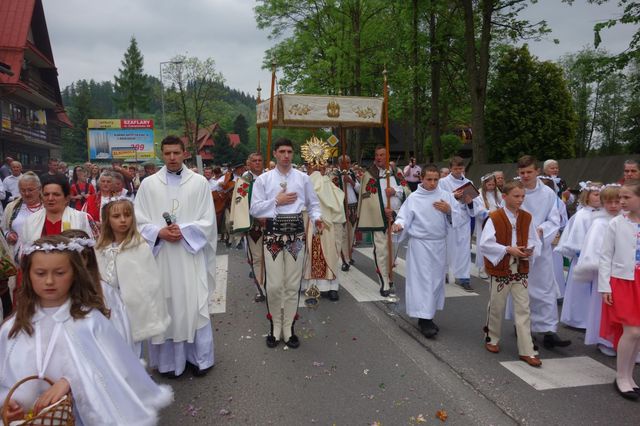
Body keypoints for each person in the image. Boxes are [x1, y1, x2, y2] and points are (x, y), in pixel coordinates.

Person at [0, 235, 173, 424]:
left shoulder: (89, 322)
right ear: (28, 275)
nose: (49, 281)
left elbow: (115, 368)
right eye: (40, 273)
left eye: (59, 273)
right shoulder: (13, 329)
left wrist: (70, 381)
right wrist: (7, 408)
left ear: (74, 273)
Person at [135, 135, 217, 378]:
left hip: (189, 255)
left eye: (176, 153)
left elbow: (208, 220)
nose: (172, 158)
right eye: (167, 153)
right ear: (162, 154)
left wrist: (185, 231)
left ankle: (199, 359)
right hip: (161, 258)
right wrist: (158, 232)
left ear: (184, 154)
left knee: (193, 303)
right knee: (166, 304)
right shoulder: (148, 184)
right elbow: (138, 221)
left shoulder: (200, 182)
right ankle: (169, 363)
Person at [250, 138, 323, 348]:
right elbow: (254, 209)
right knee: (273, 286)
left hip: (296, 237)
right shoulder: (263, 180)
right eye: (281, 151)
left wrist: (317, 218)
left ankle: (289, 328)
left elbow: (313, 204)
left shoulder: (303, 178)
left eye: (289, 151)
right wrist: (276, 201)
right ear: (274, 154)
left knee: (292, 285)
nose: (286, 155)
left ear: (293, 154)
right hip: (273, 236)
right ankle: (275, 325)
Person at [392, 164, 461, 338]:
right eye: (429, 179)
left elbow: (458, 218)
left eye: (436, 179)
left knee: (436, 281)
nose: (432, 183)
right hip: (420, 245)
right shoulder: (414, 198)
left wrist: (449, 211)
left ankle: (428, 315)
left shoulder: (445, 196)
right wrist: (399, 225)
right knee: (423, 281)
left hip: (439, 244)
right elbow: (403, 217)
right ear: (421, 178)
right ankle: (424, 320)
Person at [479, 180, 542, 367]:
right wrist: (508, 249)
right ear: (504, 197)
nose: (520, 200)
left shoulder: (527, 217)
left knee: (523, 308)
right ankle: (492, 337)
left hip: (520, 268)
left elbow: (534, 239)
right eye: (516, 196)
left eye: (522, 196)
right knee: (497, 306)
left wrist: (529, 249)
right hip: (501, 267)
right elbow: (485, 243)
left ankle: (527, 349)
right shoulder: (495, 217)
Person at [95, 199, 170, 354]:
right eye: (116, 216)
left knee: (132, 351)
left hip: (131, 310)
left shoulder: (139, 247)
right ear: (107, 220)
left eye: (127, 215)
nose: (123, 220)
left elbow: (150, 284)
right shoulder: (101, 249)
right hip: (109, 307)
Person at [511, 155, 571, 349]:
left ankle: (548, 330)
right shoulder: (515, 192)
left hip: (541, 248)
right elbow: (506, 215)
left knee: (545, 289)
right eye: (522, 173)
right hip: (520, 247)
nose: (526, 176)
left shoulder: (547, 193)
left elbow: (555, 219)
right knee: (523, 290)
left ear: (537, 171)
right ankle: (524, 329)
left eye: (529, 172)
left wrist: (542, 229)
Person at [599, 179, 640, 399]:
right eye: (620, 197)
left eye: (627, 197)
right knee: (631, 331)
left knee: (638, 334)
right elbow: (605, 256)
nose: (622, 201)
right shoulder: (616, 223)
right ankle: (621, 376)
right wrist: (605, 286)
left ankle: (629, 376)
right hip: (623, 280)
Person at [60, 229, 133, 350]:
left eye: (78, 260)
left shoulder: (104, 291)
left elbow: (120, 332)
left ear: (87, 259)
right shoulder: (56, 293)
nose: (73, 266)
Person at [572, 184, 621, 356]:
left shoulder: (627, 220)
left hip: (623, 272)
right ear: (603, 203)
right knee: (603, 307)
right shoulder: (599, 223)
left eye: (617, 201)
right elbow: (592, 249)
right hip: (604, 272)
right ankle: (604, 339)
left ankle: (621, 339)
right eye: (609, 202)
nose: (614, 206)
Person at [357, 145, 409, 297]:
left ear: (387, 156)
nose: (379, 157)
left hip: (397, 217)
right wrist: (382, 211)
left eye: (382, 155)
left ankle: (389, 275)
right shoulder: (369, 174)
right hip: (379, 220)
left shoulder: (396, 172)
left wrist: (395, 191)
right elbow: (367, 198)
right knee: (381, 251)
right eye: (376, 155)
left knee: (392, 252)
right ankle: (384, 282)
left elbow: (407, 191)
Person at [301, 139, 346, 301]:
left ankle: (332, 286)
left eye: (322, 163)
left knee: (332, 253)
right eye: (314, 163)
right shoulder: (304, 181)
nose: (319, 166)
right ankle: (312, 288)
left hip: (330, 226)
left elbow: (336, 203)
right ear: (308, 165)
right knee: (312, 255)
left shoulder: (329, 182)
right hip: (312, 224)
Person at [555, 182, 602, 329]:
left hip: (598, 259)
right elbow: (576, 238)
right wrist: (584, 253)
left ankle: (593, 319)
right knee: (580, 290)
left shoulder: (603, 214)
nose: (599, 197)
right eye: (596, 194)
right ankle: (578, 319)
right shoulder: (582, 215)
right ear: (586, 196)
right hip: (582, 258)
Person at [438, 156, 484, 292]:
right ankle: (444, 273)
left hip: (464, 219)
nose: (458, 171)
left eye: (461, 168)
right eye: (455, 168)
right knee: (446, 248)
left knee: (464, 251)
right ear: (451, 168)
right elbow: (439, 197)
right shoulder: (443, 182)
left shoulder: (469, 182)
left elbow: (477, 202)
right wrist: (454, 196)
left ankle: (464, 278)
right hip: (448, 219)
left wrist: (470, 201)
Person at [22, 173, 97, 245]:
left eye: (56, 194)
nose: (50, 198)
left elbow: (94, 250)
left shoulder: (83, 219)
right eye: (46, 194)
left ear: (67, 198)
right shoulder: (31, 220)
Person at [229, 152, 265, 302]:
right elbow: (239, 204)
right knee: (257, 259)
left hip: (272, 226)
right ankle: (261, 289)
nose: (257, 163)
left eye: (260, 160)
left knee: (272, 259)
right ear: (248, 163)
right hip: (254, 227)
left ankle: (273, 287)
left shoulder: (270, 178)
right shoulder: (244, 181)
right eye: (254, 161)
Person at [334, 154, 360, 271]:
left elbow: (360, 189)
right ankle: (344, 260)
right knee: (343, 235)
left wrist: (351, 181)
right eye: (344, 163)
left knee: (351, 234)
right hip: (341, 208)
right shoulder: (334, 175)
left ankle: (349, 255)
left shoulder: (353, 174)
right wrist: (340, 183)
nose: (346, 165)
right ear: (339, 164)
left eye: (348, 163)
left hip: (353, 207)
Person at [475, 173, 503, 279]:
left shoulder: (497, 193)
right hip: (485, 222)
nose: (491, 187)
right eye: (489, 185)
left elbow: (503, 204)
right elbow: (477, 209)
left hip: (496, 222)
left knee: (494, 243)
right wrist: (488, 213)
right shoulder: (479, 194)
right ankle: (482, 268)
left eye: (493, 185)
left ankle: (492, 266)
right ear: (484, 184)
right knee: (483, 244)